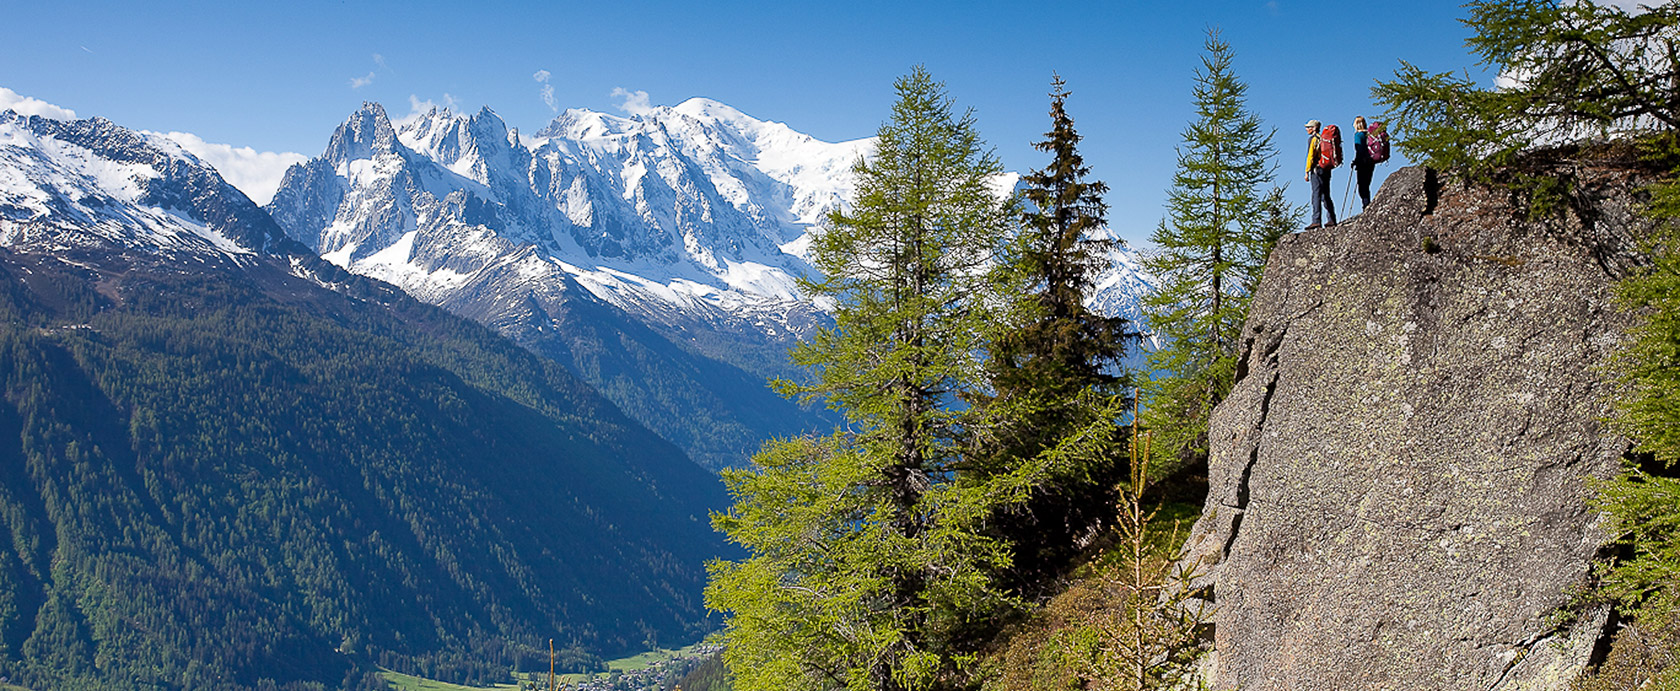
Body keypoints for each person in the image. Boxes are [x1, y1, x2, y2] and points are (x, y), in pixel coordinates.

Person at [1304, 120, 1336, 229]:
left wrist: (1307, 171)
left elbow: (1310, 156)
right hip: (1326, 168)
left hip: (1316, 170)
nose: (1307, 129)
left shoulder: (1313, 139)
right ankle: (1332, 219)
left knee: (1316, 194)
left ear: (1313, 128)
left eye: (1308, 127)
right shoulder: (1323, 139)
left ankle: (1316, 220)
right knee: (1326, 194)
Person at [1351, 115, 1375, 210]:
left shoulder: (1358, 135)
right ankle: (1367, 205)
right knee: (1367, 185)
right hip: (1371, 162)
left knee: (1362, 188)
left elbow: (1359, 150)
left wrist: (1355, 161)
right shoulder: (1369, 134)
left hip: (1362, 163)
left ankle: (1366, 207)